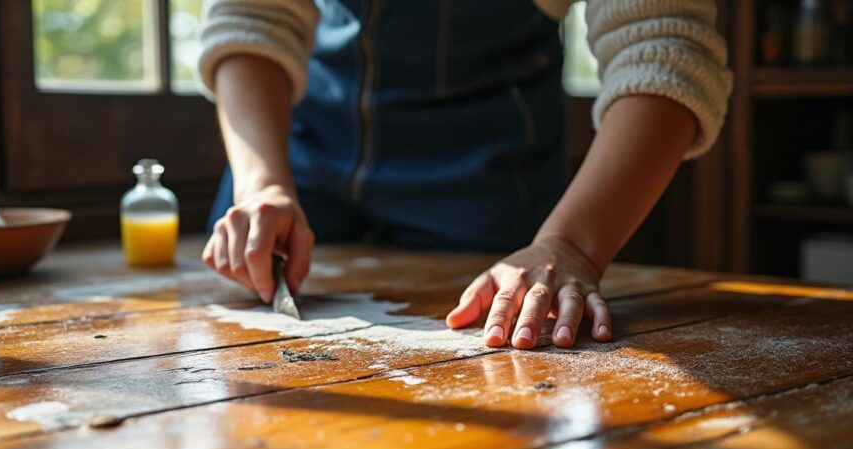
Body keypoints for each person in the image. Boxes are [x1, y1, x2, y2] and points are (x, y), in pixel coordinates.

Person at [198, 0, 732, 350]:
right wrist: (262, 184)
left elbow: (663, 50)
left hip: (490, 212)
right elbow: (252, 16)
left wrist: (571, 245)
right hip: (294, 181)